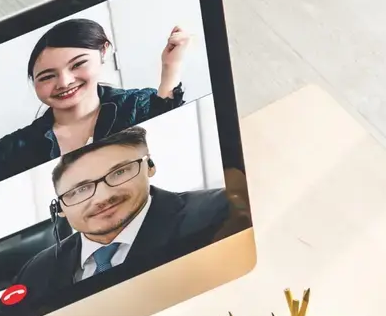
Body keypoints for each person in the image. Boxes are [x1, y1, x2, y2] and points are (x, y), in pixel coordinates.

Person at [0, 17, 190, 192]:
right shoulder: (10, 150)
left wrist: (171, 68)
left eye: (77, 64)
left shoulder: (137, 105)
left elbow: (175, 145)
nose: (64, 82)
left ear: (103, 51)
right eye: (47, 77)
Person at [15, 126, 230, 304]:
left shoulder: (220, 211)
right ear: (59, 208)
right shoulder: (35, 273)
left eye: (119, 172)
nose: (102, 198)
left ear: (150, 166)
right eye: (80, 190)